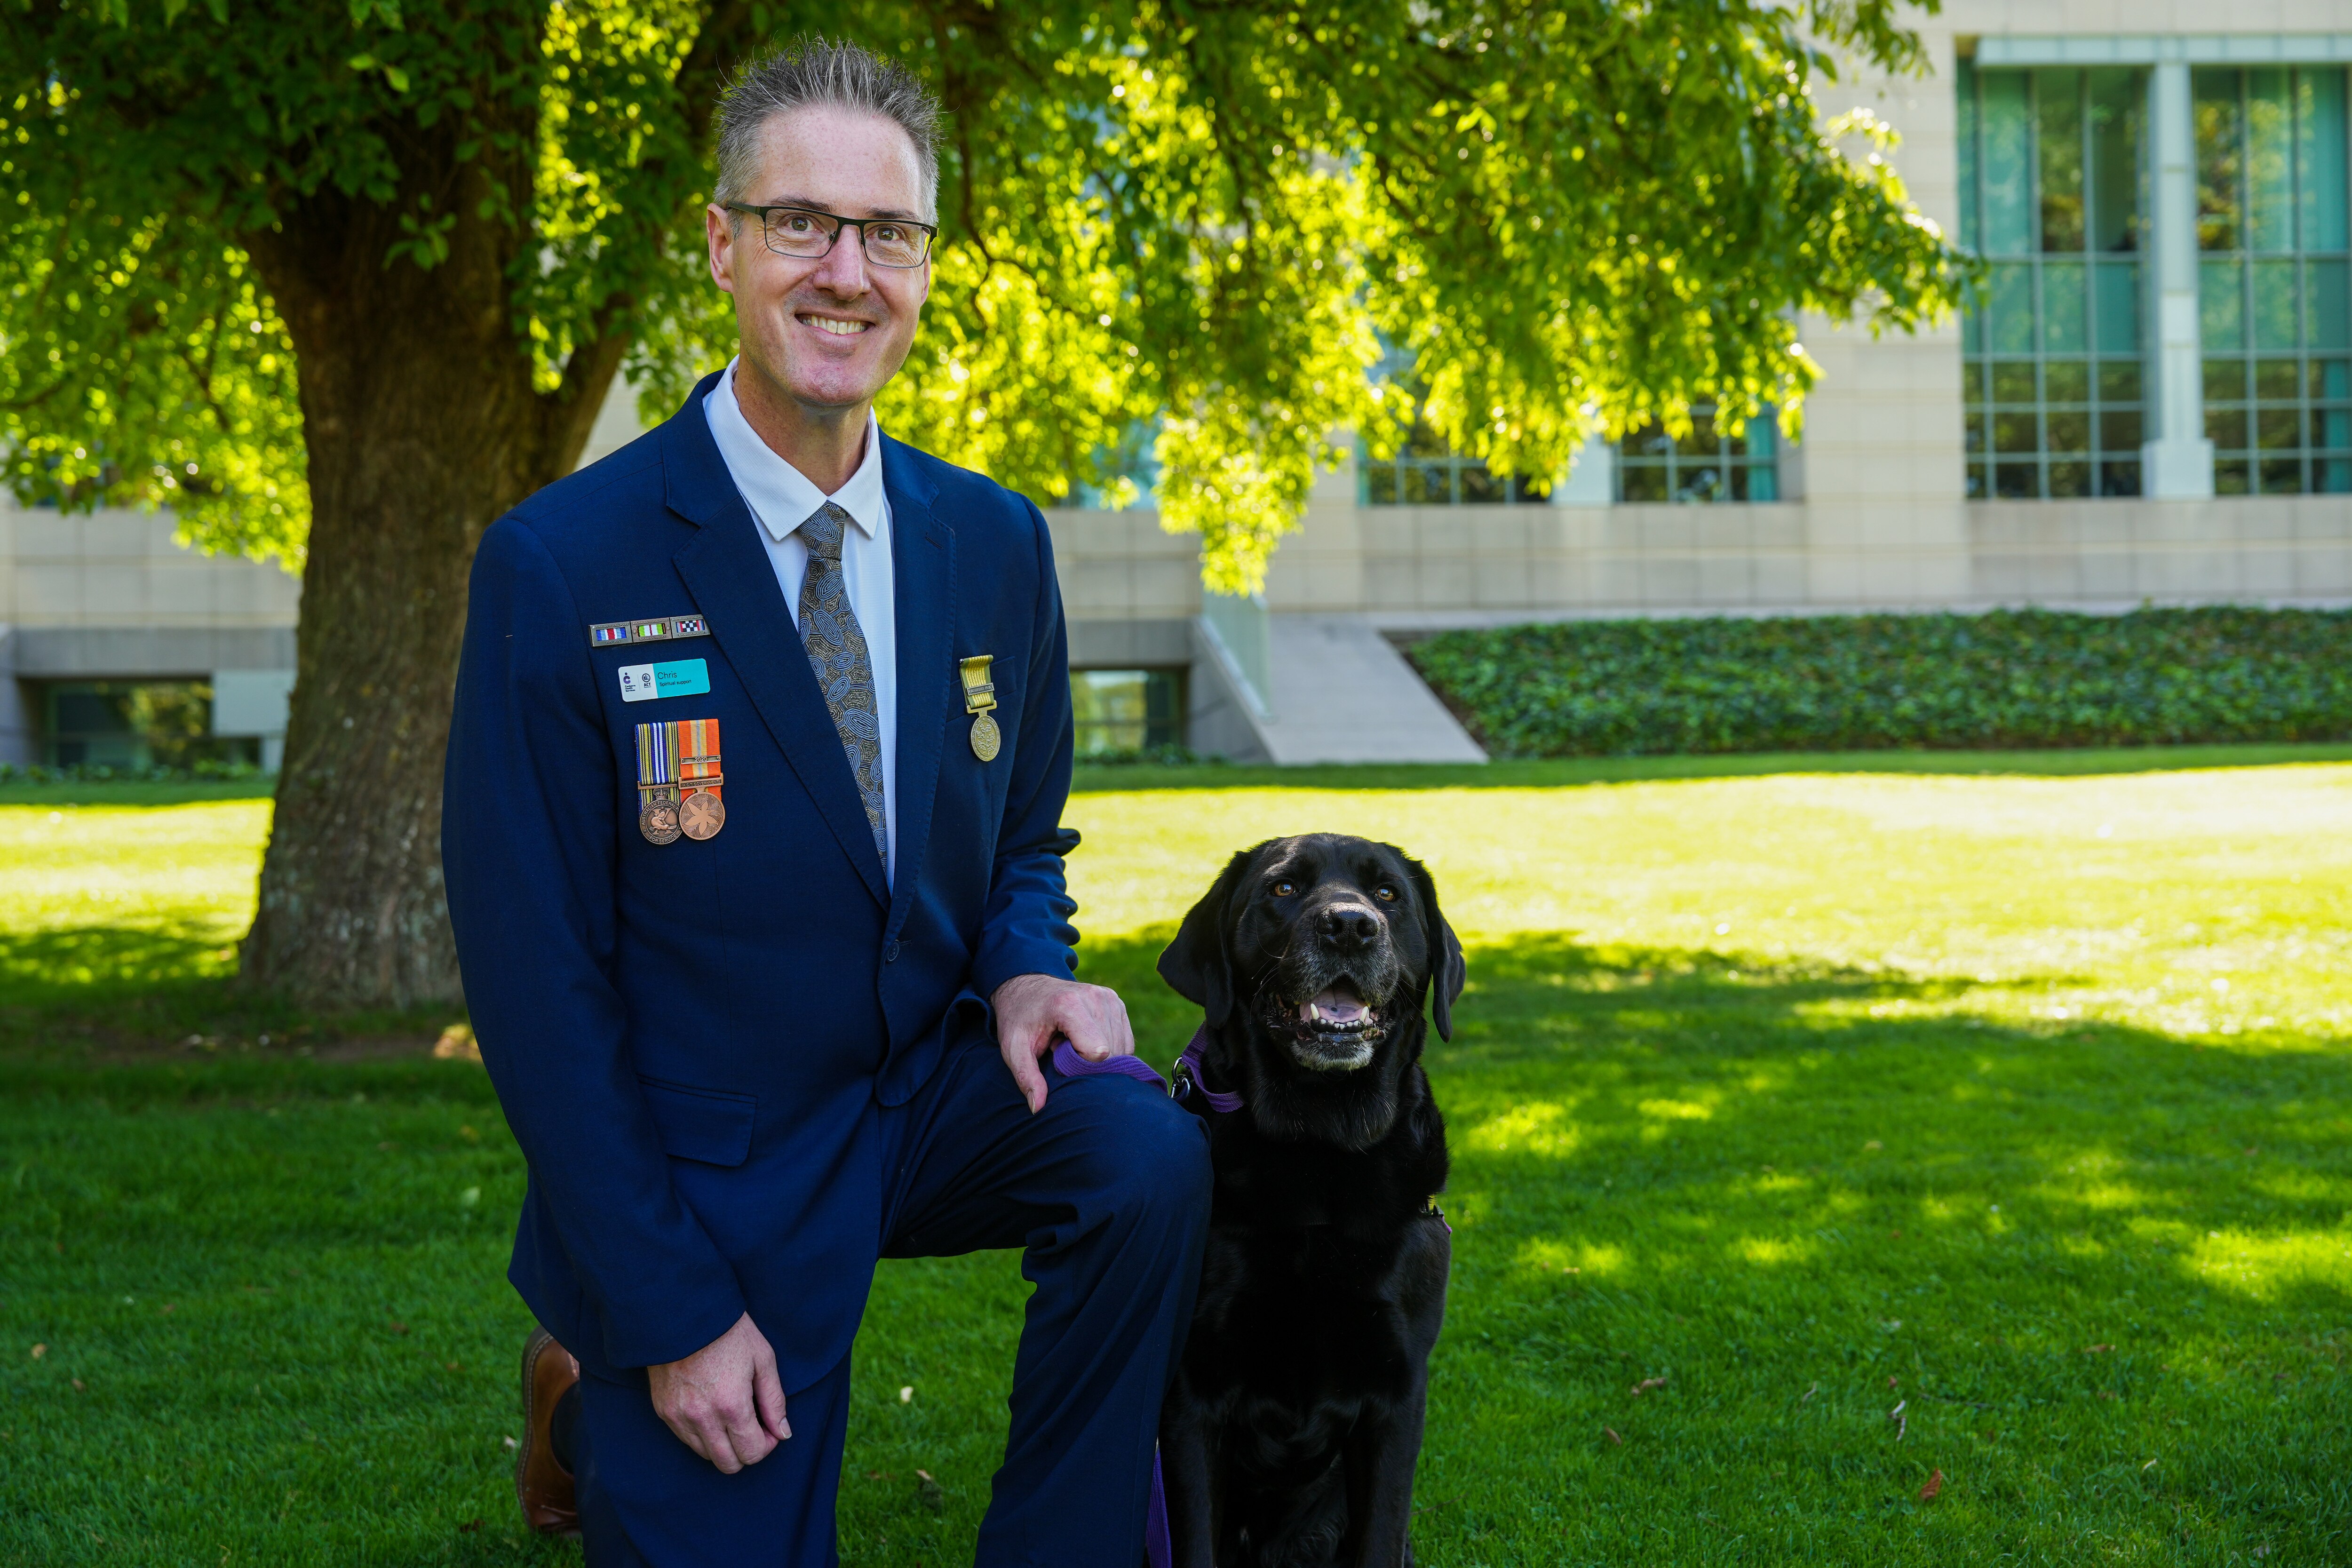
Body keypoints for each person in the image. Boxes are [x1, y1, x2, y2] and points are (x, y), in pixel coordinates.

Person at [441, 37, 1211, 1566]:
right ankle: (590, 1389)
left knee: (1147, 1157)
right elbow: (537, 987)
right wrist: (666, 1310)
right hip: (706, 1158)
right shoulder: (565, 564)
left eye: (890, 234)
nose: (845, 271)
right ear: (723, 244)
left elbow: (1024, 844)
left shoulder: (994, 543)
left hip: (923, 1095)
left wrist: (1029, 969)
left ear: (927, 267)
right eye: (802, 223)